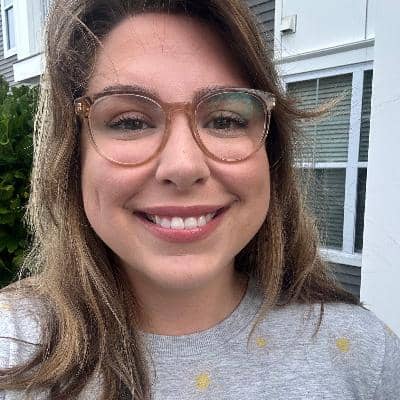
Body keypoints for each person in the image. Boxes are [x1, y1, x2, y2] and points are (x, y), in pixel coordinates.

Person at [0, 0, 399, 399]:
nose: (184, 165)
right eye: (130, 122)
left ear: (272, 154)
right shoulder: (11, 346)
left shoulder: (363, 354)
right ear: (72, 158)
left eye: (225, 120)